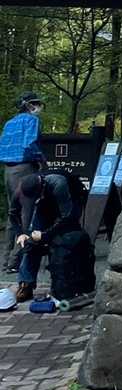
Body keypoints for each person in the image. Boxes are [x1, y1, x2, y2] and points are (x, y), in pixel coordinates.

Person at [13, 171, 83, 301]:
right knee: (31, 243)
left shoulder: (59, 184)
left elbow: (66, 217)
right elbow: (13, 213)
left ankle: (59, 283)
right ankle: (26, 283)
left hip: (68, 206)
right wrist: (20, 234)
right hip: (44, 206)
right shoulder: (21, 188)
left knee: (60, 241)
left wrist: (45, 235)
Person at [0, 93, 45, 273]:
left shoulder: (9, 123)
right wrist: (41, 159)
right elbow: (30, 143)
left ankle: (6, 260)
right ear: (30, 105)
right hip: (25, 168)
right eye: (37, 104)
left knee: (13, 213)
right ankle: (16, 260)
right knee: (27, 213)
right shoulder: (31, 120)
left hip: (8, 170)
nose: (39, 107)